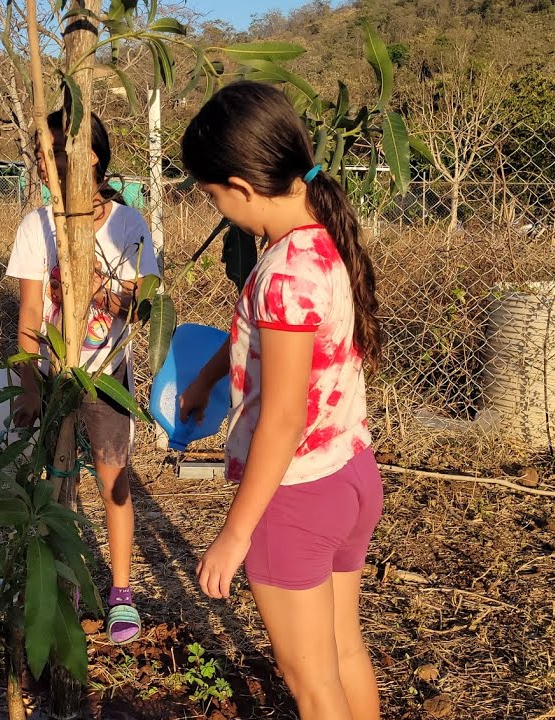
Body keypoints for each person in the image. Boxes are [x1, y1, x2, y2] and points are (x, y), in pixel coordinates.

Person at [177, 81, 385, 720]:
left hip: (293, 497)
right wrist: (212, 376)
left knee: (312, 683)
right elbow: (271, 347)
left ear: (240, 187)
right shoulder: (321, 239)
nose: (219, 209)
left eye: (213, 196)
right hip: (350, 474)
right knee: (344, 654)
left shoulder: (283, 274)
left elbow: (285, 417)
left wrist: (234, 535)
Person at [5, 109, 161, 645]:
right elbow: (29, 315)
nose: (43, 165)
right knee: (57, 482)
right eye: (39, 154)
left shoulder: (128, 224)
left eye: (53, 153)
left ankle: (121, 591)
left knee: (113, 476)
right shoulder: (37, 226)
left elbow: (145, 305)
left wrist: (102, 289)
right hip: (54, 378)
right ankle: (64, 584)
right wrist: (28, 386)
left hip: (107, 375)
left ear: (90, 156)